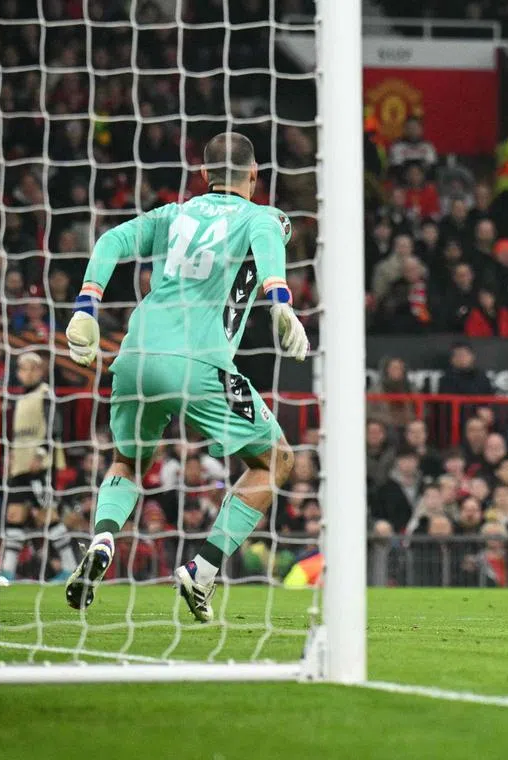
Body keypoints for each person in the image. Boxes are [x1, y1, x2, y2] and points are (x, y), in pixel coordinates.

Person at [62, 133, 307, 621]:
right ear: (255, 176)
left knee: (127, 462)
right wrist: (280, 300)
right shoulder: (263, 217)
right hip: (202, 364)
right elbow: (270, 240)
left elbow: (111, 239)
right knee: (276, 459)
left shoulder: (172, 215)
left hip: (133, 356)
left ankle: (104, 537)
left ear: (203, 176)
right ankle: (204, 569)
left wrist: (87, 304)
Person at [0, 352, 76, 585]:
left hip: (40, 466)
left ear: (40, 371)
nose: (27, 373)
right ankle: (7, 573)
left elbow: (55, 426)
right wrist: (12, 455)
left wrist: (41, 453)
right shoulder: (20, 399)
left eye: (32, 368)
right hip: (20, 466)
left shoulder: (45, 394)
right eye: (23, 369)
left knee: (47, 515)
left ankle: (70, 567)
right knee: (14, 514)